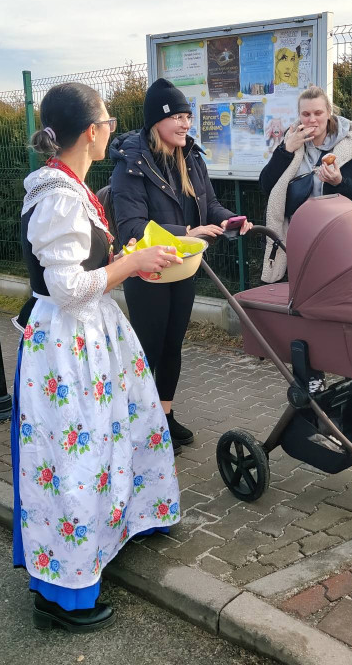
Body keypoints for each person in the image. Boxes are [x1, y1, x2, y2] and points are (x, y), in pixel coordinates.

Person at [13, 81, 184, 633]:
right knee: (74, 458)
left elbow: (81, 269)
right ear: (91, 132)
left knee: (110, 436)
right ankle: (62, 596)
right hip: (68, 344)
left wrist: (127, 258)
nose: (112, 129)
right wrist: (130, 266)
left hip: (87, 335)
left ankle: (115, 531)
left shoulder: (66, 185)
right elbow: (65, 287)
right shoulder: (59, 197)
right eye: (108, 121)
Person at [109, 78, 251, 447]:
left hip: (183, 266)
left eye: (188, 116)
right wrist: (188, 230)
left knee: (173, 345)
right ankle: (138, 424)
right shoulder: (131, 165)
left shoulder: (191, 158)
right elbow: (132, 227)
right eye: (177, 117)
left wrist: (230, 219)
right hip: (148, 272)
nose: (186, 123)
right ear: (157, 121)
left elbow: (210, 205)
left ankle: (165, 417)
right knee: (148, 349)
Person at [259, 85, 352, 283]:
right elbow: (265, 185)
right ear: (299, 116)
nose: (312, 120)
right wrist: (286, 151)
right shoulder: (291, 141)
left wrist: (340, 182)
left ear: (329, 113)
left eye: (318, 113)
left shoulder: (350, 147)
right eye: (306, 114)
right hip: (297, 239)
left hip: (339, 240)